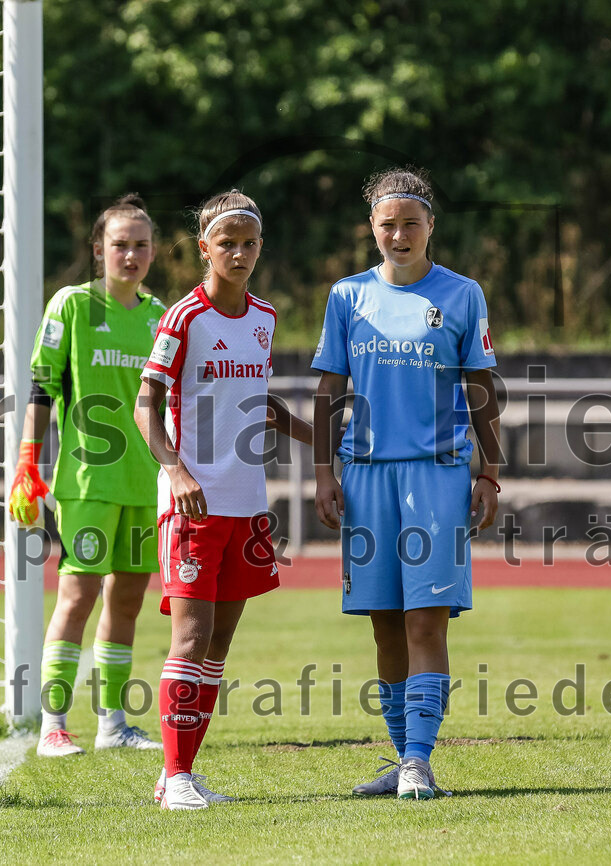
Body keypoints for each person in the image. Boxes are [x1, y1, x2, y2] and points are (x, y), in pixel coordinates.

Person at [312, 167, 501, 800]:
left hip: (438, 475)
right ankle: (402, 757)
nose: (399, 235)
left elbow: (481, 388)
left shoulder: (462, 294)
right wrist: (322, 472)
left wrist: (490, 472)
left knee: (427, 621)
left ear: (429, 227)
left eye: (410, 224)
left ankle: (420, 759)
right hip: (364, 477)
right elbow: (329, 391)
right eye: (387, 224)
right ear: (372, 228)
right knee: (384, 623)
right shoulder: (347, 297)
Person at [135, 189, 312, 810]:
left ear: (260, 247)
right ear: (204, 247)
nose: (238, 253)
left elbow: (260, 403)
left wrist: (319, 439)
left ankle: (181, 772)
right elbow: (144, 405)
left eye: (249, 243)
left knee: (218, 645)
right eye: (226, 242)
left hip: (248, 503)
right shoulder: (183, 317)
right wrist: (176, 470)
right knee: (191, 636)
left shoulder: (263, 316)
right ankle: (175, 775)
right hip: (193, 505)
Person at [8, 194, 165, 757]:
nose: (130, 254)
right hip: (86, 481)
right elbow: (42, 387)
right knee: (77, 596)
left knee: (127, 603)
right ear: (98, 248)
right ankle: (53, 725)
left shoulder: (158, 316)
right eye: (119, 244)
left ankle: (113, 724)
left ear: (153, 252)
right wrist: (27, 460)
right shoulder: (71, 307)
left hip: (145, 483)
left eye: (140, 245)